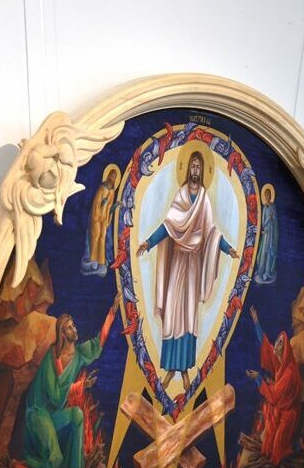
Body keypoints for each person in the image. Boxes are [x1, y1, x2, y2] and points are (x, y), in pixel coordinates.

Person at [137, 145, 238, 391]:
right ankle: (170, 369)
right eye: (192, 166)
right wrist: (148, 243)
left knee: (189, 315)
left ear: (202, 171)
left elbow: (211, 232)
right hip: (178, 263)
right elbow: (168, 226)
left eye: (198, 167)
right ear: (187, 169)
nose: (195, 170)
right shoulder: (181, 196)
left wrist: (227, 249)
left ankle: (184, 370)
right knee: (173, 313)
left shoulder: (203, 199)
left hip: (193, 265)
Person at [17, 297, 118, 468]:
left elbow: (98, 342)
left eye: (74, 326)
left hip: (53, 415)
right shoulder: (52, 358)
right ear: (62, 334)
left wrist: (113, 312)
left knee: (77, 414)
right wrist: (80, 386)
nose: (74, 329)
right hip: (38, 413)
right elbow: (55, 397)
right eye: (70, 328)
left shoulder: (78, 354)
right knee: (54, 461)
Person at [246, 306, 302, 466]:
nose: (276, 344)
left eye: (280, 343)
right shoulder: (280, 363)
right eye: (277, 341)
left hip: (288, 414)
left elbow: (275, 396)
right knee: (268, 447)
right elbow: (266, 347)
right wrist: (256, 323)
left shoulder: (289, 372)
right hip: (279, 410)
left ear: (285, 349)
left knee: (277, 452)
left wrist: (259, 378)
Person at [81, 166, 119, 276]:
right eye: (112, 175)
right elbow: (96, 204)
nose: (113, 178)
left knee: (102, 238)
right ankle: (93, 260)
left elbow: (109, 207)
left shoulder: (112, 191)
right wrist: (99, 211)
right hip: (96, 217)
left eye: (115, 177)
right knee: (95, 237)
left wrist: (114, 208)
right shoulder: (102, 188)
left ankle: (101, 261)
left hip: (104, 219)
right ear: (108, 176)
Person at [254, 184, 278, 285]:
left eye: (268, 195)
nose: (267, 196)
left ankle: (267, 272)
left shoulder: (273, 206)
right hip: (266, 234)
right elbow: (264, 222)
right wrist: (269, 219)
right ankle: (260, 271)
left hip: (271, 234)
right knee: (263, 252)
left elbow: (275, 221)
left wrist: (272, 219)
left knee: (269, 253)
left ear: (270, 196)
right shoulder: (264, 208)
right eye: (266, 195)